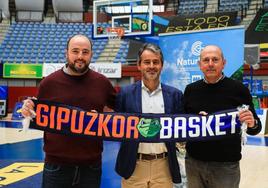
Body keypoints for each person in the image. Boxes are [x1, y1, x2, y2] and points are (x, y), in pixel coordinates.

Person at [21, 34, 116, 188]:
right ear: (66, 53)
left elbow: (121, 113)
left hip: (91, 167)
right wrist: (28, 108)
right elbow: (35, 113)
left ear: (91, 54)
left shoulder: (102, 83)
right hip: (56, 166)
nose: (80, 56)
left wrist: (103, 119)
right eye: (75, 51)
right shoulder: (49, 83)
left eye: (85, 52)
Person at [183, 45, 262, 188]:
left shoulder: (239, 89)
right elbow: (182, 123)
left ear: (223, 63)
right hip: (194, 163)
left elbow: (255, 128)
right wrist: (195, 120)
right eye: (206, 60)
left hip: (226, 166)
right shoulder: (190, 90)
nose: (210, 64)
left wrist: (252, 123)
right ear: (200, 65)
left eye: (215, 59)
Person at [115, 43, 183, 188]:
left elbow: (182, 129)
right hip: (133, 165)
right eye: (147, 62)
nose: (151, 66)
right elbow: (117, 127)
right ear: (139, 65)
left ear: (162, 65)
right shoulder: (125, 94)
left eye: (155, 62)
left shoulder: (175, 95)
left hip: (163, 166)